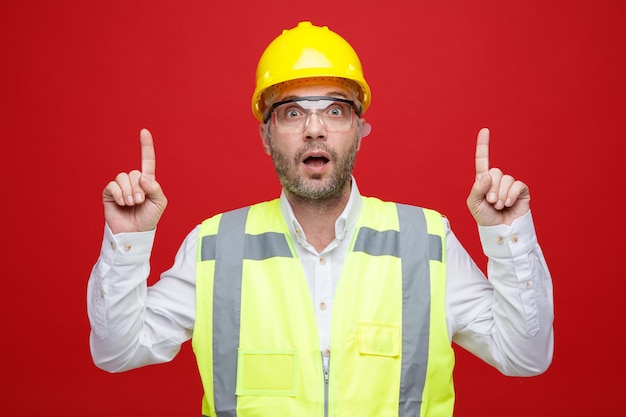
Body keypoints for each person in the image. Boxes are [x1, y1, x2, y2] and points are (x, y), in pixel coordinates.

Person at [88, 21, 554, 417]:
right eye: (292, 112)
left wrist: (508, 237)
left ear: (359, 130)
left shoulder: (426, 242)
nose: (314, 128)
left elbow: (524, 356)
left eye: (335, 109)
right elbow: (117, 352)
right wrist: (127, 244)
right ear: (267, 136)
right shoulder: (215, 247)